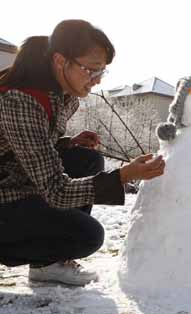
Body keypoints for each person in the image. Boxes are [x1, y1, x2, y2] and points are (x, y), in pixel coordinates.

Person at [0, 19, 165, 286]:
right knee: (87, 235)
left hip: (12, 180)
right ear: (59, 61)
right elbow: (56, 189)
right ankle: (51, 250)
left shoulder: (63, 95)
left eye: (102, 72)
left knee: (86, 160)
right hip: (5, 192)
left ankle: (47, 262)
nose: (97, 80)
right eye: (91, 70)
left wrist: (65, 142)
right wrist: (122, 175)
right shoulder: (21, 100)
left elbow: (25, 144)